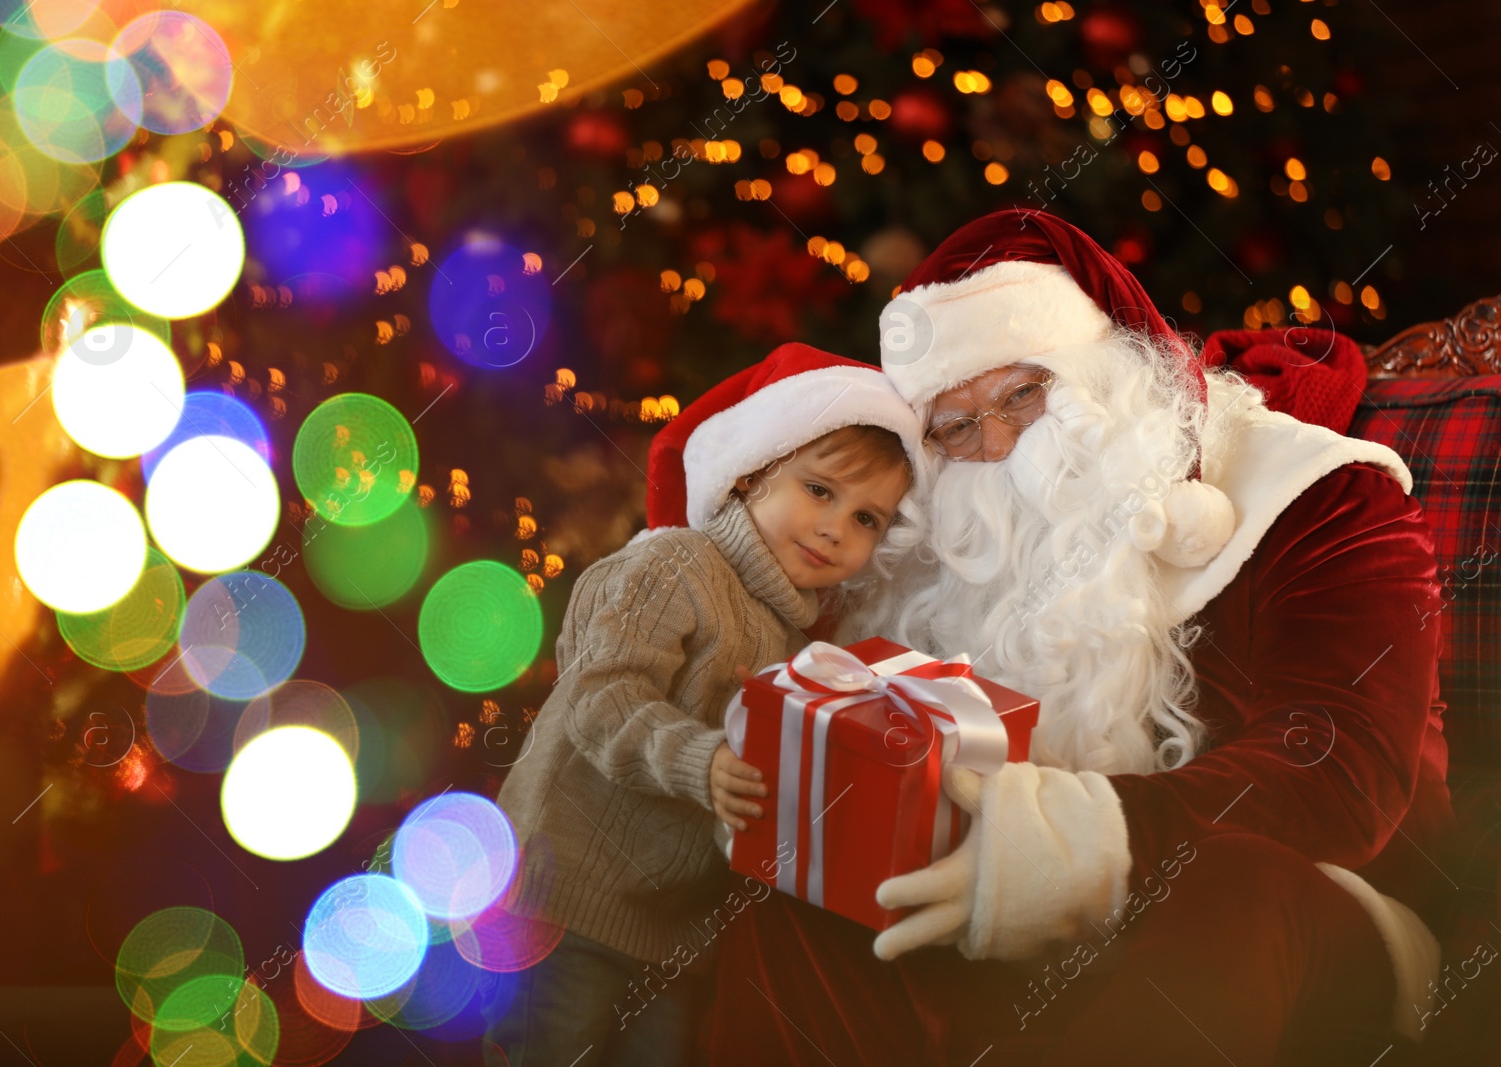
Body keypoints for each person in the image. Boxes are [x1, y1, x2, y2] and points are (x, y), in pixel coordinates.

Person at [706, 211, 1454, 1066]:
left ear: (1107, 371)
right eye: (956, 428)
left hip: (1303, 906)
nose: (1000, 448)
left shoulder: (1319, 492)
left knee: (1233, 882)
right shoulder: (936, 554)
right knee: (810, 887)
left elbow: (1340, 774)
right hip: (1003, 922)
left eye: (1023, 395)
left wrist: (1066, 842)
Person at [484, 342, 927, 1066]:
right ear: (752, 474)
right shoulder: (675, 565)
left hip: (677, 934)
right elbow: (603, 695)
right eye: (819, 490)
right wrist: (703, 757)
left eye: (868, 519)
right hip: (569, 902)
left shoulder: (804, 642)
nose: (835, 528)